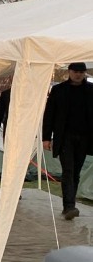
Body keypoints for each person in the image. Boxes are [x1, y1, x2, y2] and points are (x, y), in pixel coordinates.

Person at [42, 62, 93, 221]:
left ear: (84, 73)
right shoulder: (59, 90)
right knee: (68, 170)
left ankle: (70, 204)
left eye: (81, 72)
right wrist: (46, 137)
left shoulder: (90, 90)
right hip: (65, 137)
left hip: (84, 137)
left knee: (76, 172)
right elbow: (49, 114)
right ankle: (69, 206)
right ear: (69, 72)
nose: (78, 74)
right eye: (75, 71)